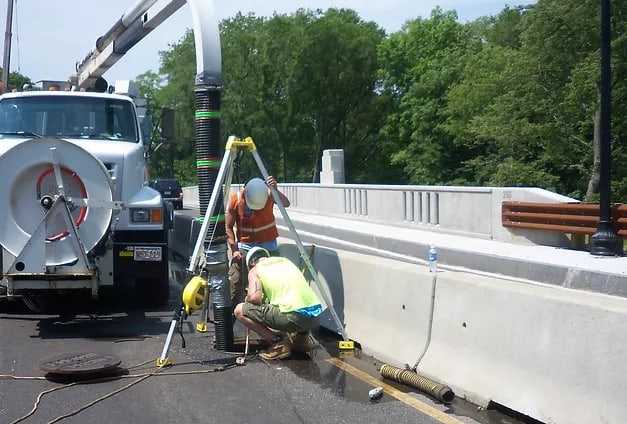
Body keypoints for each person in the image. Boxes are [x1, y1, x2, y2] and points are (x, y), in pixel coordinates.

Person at [234, 247, 322, 360]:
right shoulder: (285, 261)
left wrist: (247, 300)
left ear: (251, 263)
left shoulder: (255, 270)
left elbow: (255, 297)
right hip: (315, 316)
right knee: (294, 300)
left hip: (293, 317)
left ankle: (278, 344)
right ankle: (302, 340)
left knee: (240, 310)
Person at [225, 175, 290, 306]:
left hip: (269, 247)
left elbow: (286, 203)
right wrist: (234, 250)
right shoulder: (236, 200)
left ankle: (270, 317)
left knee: (273, 285)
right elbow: (228, 227)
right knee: (235, 284)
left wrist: (275, 190)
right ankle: (231, 317)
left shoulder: (269, 194)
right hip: (245, 248)